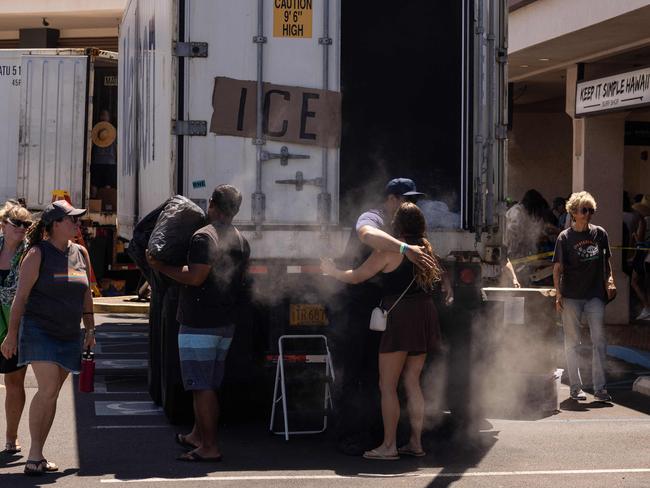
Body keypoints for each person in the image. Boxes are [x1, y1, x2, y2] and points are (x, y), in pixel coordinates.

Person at [322, 202, 444, 460]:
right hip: (424, 315)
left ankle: (388, 446)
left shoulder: (389, 252)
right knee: (413, 382)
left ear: (396, 224)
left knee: (387, 385)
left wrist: (332, 271)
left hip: (400, 318)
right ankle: (415, 443)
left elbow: (356, 277)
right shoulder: (426, 249)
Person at [147, 184, 250, 463]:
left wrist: (159, 266)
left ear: (212, 205)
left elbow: (195, 277)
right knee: (208, 384)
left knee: (201, 386)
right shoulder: (241, 239)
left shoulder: (204, 237)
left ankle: (209, 447)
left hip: (200, 323)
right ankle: (196, 434)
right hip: (224, 323)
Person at [0, 200, 95, 475]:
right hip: (38, 331)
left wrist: (90, 330)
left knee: (51, 394)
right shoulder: (37, 254)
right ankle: (33, 456)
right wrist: (12, 334)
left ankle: (38, 454)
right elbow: (21, 298)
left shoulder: (81, 253)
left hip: (68, 333)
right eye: (72, 220)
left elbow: (87, 295)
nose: (77, 224)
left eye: (77, 220)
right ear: (55, 225)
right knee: (49, 387)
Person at [553, 191, 616, 403]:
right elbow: (557, 268)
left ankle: (600, 388)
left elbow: (607, 261)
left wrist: (610, 280)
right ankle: (576, 388)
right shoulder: (565, 237)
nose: (588, 214)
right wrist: (558, 294)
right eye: (584, 210)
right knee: (572, 342)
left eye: (591, 210)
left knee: (599, 340)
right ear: (573, 213)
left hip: (594, 295)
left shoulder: (600, 234)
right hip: (571, 296)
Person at [0, 201, 33, 454]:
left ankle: (11, 437)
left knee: (14, 382)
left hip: (16, 326)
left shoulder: (30, 254)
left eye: (27, 224)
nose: (22, 228)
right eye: (17, 224)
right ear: (3, 225)